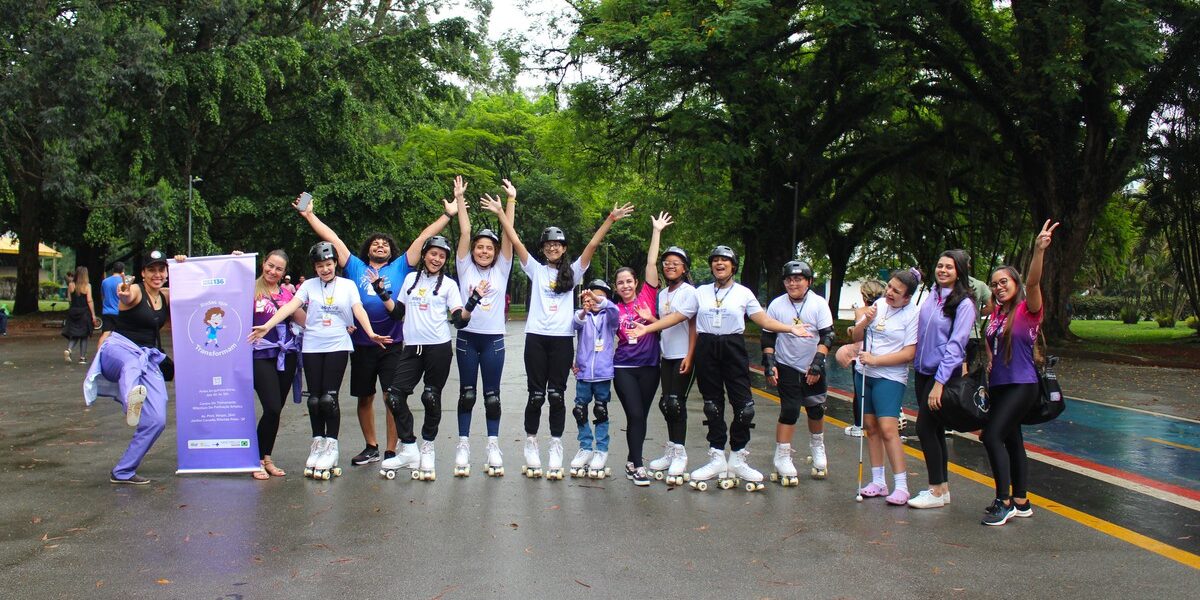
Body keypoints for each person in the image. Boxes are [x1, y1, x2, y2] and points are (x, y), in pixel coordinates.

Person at [630, 246, 813, 492]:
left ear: (733, 266)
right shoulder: (701, 292)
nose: (719, 264)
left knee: (744, 408)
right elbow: (679, 316)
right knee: (712, 405)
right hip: (707, 347)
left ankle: (737, 457)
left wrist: (790, 328)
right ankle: (716, 456)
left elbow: (763, 320)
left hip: (732, 347)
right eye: (715, 261)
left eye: (724, 261)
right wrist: (648, 328)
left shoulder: (743, 293)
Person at [484, 195, 634, 479]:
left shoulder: (574, 273)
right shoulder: (536, 270)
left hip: (562, 340)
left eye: (558, 244)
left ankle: (555, 446)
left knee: (557, 395)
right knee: (536, 395)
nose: (553, 247)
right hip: (537, 338)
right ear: (543, 249)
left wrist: (610, 219)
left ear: (564, 248)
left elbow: (591, 246)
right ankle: (531, 443)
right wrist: (503, 211)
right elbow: (514, 240)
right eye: (548, 244)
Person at [296, 195, 452, 467]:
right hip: (361, 343)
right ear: (367, 250)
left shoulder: (401, 266)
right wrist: (309, 216)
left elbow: (422, 238)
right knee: (365, 397)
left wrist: (447, 216)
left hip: (393, 343)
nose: (380, 245)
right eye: (374, 243)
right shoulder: (355, 266)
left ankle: (393, 449)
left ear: (391, 251)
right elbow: (332, 239)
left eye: (385, 244)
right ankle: (371, 446)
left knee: (391, 395)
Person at [248, 241, 392, 480]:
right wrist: (267, 325)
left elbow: (358, 310)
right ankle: (317, 443)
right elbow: (291, 307)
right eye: (320, 266)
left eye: (328, 264)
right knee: (314, 400)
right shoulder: (308, 286)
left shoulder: (347, 285)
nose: (325, 269)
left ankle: (331, 446)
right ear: (314, 268)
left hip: (337, 345)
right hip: (312, 345)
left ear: (335, 263)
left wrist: (369, 332)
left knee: (329, 398)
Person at [376, 234, 485, 481]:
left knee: (430, 396)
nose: (436, 259)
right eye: (433, 253)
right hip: (412, 348)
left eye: (442, 256)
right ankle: (409, 447)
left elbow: (459, 320)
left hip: (438, 348)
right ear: (424, 254)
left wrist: (473, 301)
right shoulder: (409, 279)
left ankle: (428, 446)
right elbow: (398, 313)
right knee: (394, 396)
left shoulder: (449, 285)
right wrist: (382, 294)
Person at [981, 220, 1058, 526]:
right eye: (995, 283)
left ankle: (1004, 500)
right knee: (1013, 442)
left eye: (1005, 282)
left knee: (991, 436)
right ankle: (1022, 500)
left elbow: (1036, 282)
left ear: (1016, 283)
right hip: (1000, 385)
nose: (999, 287)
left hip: (1022, 384)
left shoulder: (1029, 309)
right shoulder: (997, 313)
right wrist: (989, 360)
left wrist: (1038, 250)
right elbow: (992, 344)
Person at [83, 250, 176, 485]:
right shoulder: (135, 291)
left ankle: (123, 471)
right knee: (132, 363)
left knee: (157, 420)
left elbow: (200, 287)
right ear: (142, 273)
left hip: (148, 358)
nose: (157, 274)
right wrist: (123, 294)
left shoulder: (165, 295)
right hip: (118, 351)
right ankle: (131, 402)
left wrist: (184, 265)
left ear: (166, 273)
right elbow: (127, 296)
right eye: (151, 270)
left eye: (161, 270)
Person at [452, 176, 516, 477]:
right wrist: (460, 198)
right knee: (467, 393)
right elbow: (464, 231)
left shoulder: (502, 269)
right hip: (467, 339)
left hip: (493, 340)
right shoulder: (464, 267)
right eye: (480, 247)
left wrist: (510, 202)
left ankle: (493, 445)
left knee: (492, 395)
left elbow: (509, 236)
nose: (484, 252)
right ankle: (463, 444)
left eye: (489, 248)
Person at [906, 250, 977, 508]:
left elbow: (956, 346)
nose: (943, 270)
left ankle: (935, 490)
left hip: (942, 375)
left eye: (949, 267)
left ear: (959, 271)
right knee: (934, 428)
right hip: (923, 372)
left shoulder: (964, 304)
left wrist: (939, 382)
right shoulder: (932, 296)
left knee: (923, 428)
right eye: (940, 265)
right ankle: (942, 488)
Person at [609, 212, 673, 485]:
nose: (625, 285)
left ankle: (632, 460)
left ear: (636, 283)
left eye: (629, 281)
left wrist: (656, 231)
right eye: (620, 282)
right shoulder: (613, 309)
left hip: (650, 367)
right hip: (623, 367)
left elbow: (651, 262)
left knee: (641, 417)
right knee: (634, 414)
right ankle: (637, 466)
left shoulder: (648, 295)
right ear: (616, 287)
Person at [762, 260, 835, 486]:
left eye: (798, 279)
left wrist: (817, 364)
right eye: (789, 279)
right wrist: (769, 362)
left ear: (809, 281)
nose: (793, 284)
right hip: (787, 364)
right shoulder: (777, 305)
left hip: (812, 363)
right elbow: (768, 336)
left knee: (815, 409)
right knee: (790, 410)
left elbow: (828, 336)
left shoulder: (818, 303)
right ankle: (782, 456)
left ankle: (817, 447)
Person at [851, 269, 921, 505]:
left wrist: (876, 360)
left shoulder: (912, 314)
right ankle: (878, 481)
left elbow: (909, 353)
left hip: (889, 376)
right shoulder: (879, 304)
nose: (889, 293)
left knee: (888, 428)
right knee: (870, 427)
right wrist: (865, 320)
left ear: (907, 297)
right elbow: (854, 336)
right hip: (864, 374)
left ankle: (901, 486)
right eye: (889, 287)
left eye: (896, 291)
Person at [644, 243, 698, 486]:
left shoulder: (689, 292)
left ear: (684, 268)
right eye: (667, 263)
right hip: (667, 356)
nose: (670, 266)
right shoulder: (663, 294)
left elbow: (687, 323)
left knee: (676, 404)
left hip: (683, 356)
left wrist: (690, 354)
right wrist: (651, 319)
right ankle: (671, 449)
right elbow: (666, 323)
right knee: (666, 404)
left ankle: (680, 454)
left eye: (675, 263)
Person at [248, 250, 306, 480]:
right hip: (260, 355)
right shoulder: (248, 289)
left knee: (276, 410)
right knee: (271, 406)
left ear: (284, 273)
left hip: (286, 354)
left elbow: (305, 320)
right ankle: (255, 459)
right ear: (263, 264)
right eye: (270, 266)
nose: (272, 271)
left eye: (278, 269)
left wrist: (341, 323)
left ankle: (266, 457)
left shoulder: (287, 295)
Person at [568, 281, 619, 480]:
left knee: (600, 410)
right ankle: (585, 447)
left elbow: (615, 311)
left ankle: (601, 449)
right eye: (591, 297)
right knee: (579, 410)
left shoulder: (609, 317)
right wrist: (584, 310)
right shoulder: (582, 316)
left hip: (603, 373)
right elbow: (575, 324)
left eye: (600, 297)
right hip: (583, 373)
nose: (595, 301)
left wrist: (600, 300)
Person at [835, 280, 885, 437]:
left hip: (861, 354)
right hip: (881, 353)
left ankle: (858, 425)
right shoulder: (886, 311)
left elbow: (858, 335)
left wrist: (851, 330)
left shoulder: (860, 311)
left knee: (859, 391)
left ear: (864, 296)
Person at [62, 267, 100, 364]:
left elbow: (70, 299)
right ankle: (82, 357)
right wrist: (93, 315)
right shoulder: (87, 286)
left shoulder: (71, 285)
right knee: (84, 335)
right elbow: (89, 300)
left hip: (73, 311)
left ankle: (69, 350)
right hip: (84, 312)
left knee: (74, 334)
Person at [96, 262, 125, 348]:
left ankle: (98, 354)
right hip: (120, 311)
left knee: (105, 334)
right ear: (122, 270)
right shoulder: (123, 282)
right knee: (122, 335)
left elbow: (103, 295)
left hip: (107, 311)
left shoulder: (105, 281)